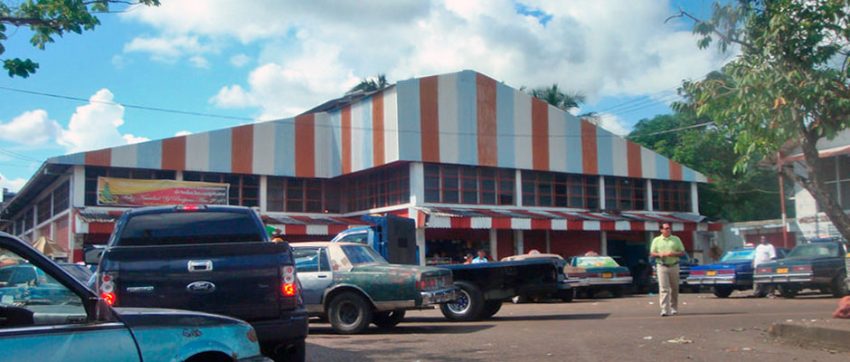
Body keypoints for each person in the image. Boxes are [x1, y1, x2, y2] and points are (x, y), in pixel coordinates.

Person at [650, 223, 685, 317]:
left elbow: (682, 252)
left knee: (674, 288)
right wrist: (659, 254)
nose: (668, 230)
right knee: (664, 288)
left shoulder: (676, 239)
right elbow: (652, 253)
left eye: (669, 228)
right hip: (662, 265)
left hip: (674, 265)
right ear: (661, 230)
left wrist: (673, 253)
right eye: (666, 228)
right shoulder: (656, 240)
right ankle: (664, 309)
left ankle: (674, 308)